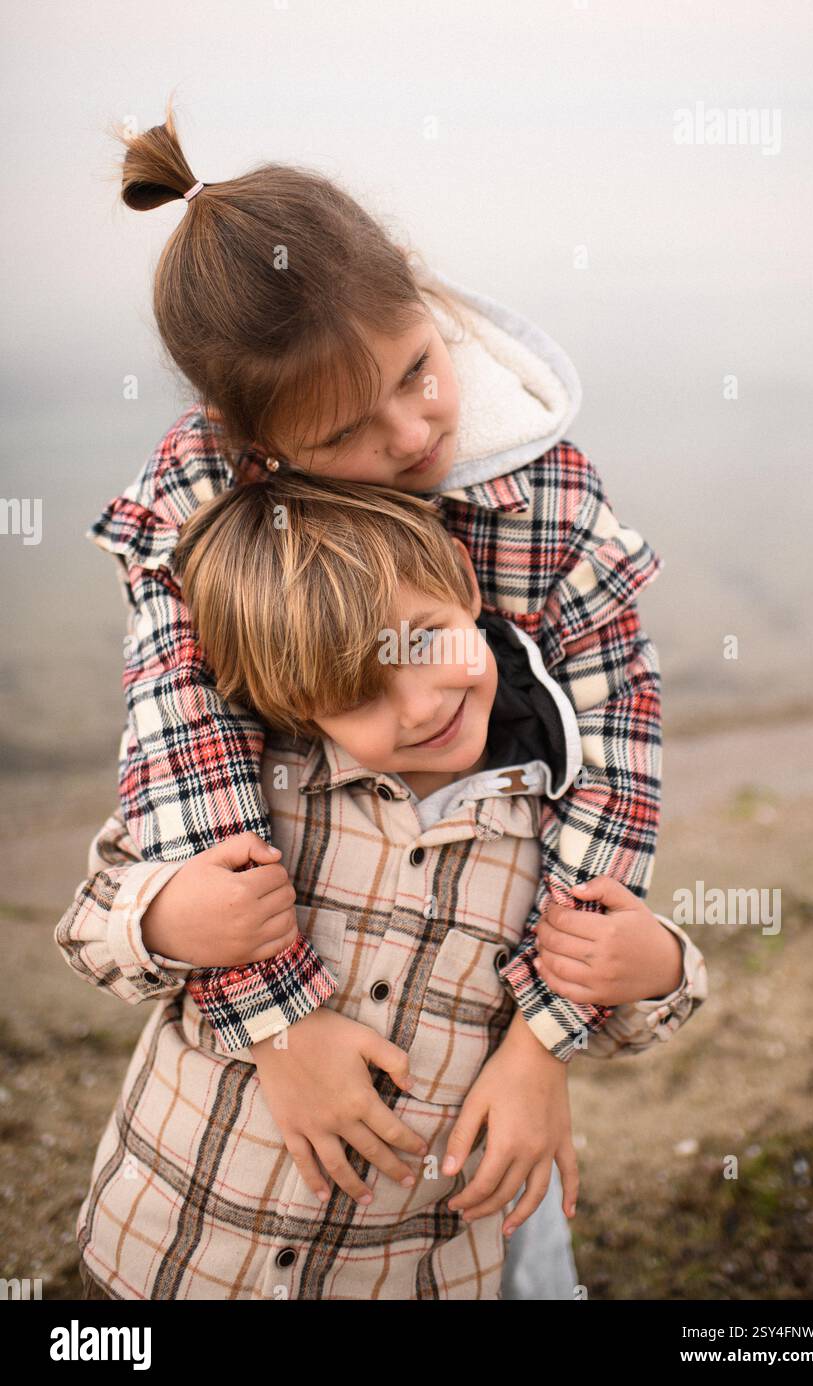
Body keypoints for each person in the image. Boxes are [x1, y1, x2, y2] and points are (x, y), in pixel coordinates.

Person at [82, 97, 676, 1295]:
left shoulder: (549, 502)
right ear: (257, 451)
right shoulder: (202, 503)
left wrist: (545, 1041)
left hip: (488, 1003)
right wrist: (279, 1022)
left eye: (418, 370)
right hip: (265, 1055)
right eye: (348, 433)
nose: (413, 432)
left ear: (423, 293)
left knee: (513, 1242)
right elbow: (182, 767)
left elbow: (615, 768)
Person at [58, 474, 707, 1299]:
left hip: (407, 1272)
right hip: (168, 1254)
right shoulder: (254, 803)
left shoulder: (549, 830)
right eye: (359, 693)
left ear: (466, 590)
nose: (418, 704)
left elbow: (615, 1022)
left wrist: (651, 966)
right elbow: (88, 927)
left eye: (428, 638)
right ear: (295, 705)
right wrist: (170, 920)